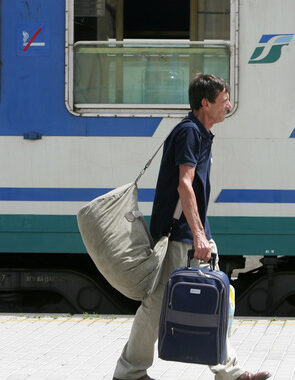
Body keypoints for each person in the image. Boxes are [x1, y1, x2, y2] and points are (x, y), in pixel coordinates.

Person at [113, 74, 271, 380]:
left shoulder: (199, 132)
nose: (228, 105)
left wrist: (203, 233)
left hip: (192, 231)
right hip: (181, 234)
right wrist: (199, 235)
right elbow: (185, 185)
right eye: (223, 100)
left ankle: (227, 371)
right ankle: (131, 372)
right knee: (159, 302)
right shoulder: (190, 133)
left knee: (208, 298)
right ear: (205, 103)